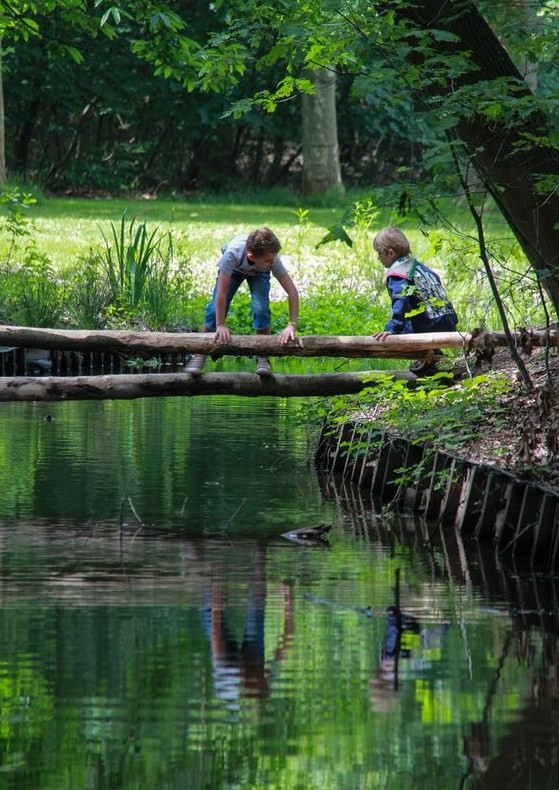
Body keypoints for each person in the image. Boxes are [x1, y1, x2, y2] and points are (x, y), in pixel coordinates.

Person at [186, 227, 299, 375]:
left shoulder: (271, 261)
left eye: (273, 259)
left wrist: (292, 325)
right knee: (214, 310)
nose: (272, 263)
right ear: (252, 257)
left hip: (260, 273)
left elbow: (292, 291)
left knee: (261, 309)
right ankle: (200, 353)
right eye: (268, 260)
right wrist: (220, 324)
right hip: (234, 270)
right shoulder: (232, 254)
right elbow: (221, 292)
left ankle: (263, 356)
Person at [372, 227, 458, 374]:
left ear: (390, 252)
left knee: (398, 330)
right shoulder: (422, 268)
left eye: (379, 253)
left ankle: (425, 355)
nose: (378, 258)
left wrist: (394, 328)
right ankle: (431, 354)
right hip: (448, 321)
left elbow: (401, 300)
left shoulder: (399, 273)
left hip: (428, 325)